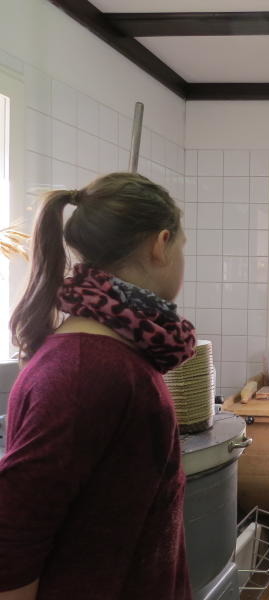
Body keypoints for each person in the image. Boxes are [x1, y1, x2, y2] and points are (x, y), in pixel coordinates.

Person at [0, 173, 194, 600]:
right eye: (182, 247)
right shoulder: (87, 372)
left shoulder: (116, 356)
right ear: (160, 244)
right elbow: (12, 547)